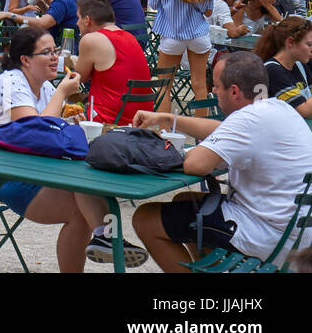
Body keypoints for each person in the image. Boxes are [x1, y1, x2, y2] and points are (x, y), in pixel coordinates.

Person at [0, 25, 131, 272]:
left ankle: (106, 235)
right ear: (25, 59)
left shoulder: (42, 85)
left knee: (81, 181)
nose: (55, 57)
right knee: (78, 209)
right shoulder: (12, 84)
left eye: (55, 50)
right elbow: (37, 132)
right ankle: (108, 236)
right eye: (46, 52)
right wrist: (62, 93)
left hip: (26, 165)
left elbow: (53, 131)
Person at [132, 51, 312, 272]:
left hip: (270, 237)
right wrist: (169, 119)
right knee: (185, 200)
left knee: (145, 219)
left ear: (234, 91)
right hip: (298, 233)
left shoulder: (247, 119)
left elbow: (195, 165)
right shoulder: (278, 108)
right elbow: (225, 131)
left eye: (216, 85)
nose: (213, 90)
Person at [149, 0, 215, 113]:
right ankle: (202, 132)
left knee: (164, 87)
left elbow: (153, 4)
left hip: (171, 35)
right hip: (198, 35)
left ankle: (164, 132)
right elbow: (208, 12)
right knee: (199, 84)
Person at [72, 0, 152, 125]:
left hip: (110, 120)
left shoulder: (90, 40)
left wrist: (69, 62)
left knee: (64, 107)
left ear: (87, 20)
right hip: (141, 119)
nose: (77, 23)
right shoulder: (129, 37)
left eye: (78, 18)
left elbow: (79, 78)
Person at [255, 16, 312, 118]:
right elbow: (304, 111)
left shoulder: (300, 66)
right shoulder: (272, 70)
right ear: (290, 42)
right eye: (309, 44)